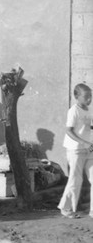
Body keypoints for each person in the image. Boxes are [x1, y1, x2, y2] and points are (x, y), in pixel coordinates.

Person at [58, 83, 93, 219]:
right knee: (75, 179)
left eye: (91, 96)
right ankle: (66, 208)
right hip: (75, 150)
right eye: (86, 97)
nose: (89, 99)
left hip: (89, 149)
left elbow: (88, 127)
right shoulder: (74, 110)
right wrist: (84, 142)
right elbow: (69, 131)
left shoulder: (88, 110)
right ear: (77, 97)